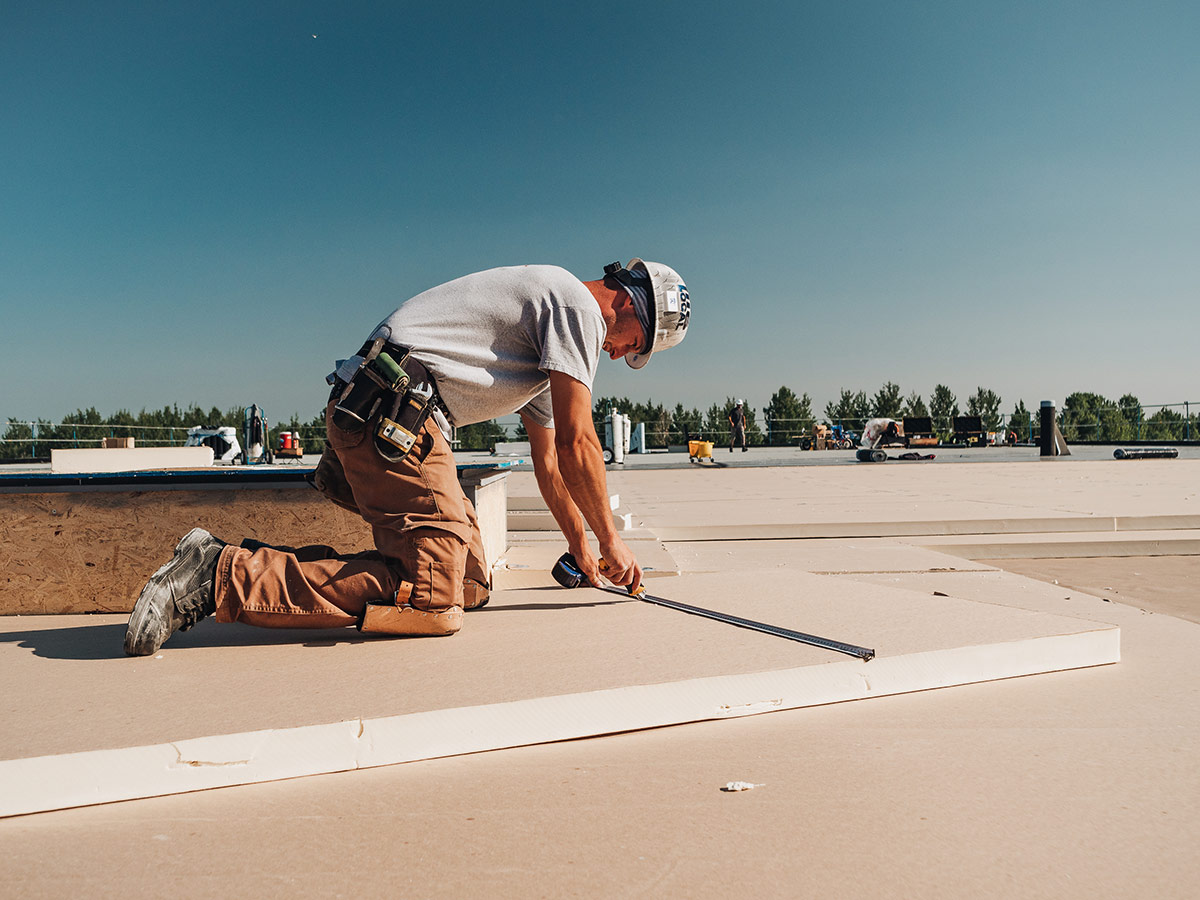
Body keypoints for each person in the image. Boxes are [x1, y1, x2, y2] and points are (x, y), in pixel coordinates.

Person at [125, 260, 691, 655]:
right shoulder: (574, 306)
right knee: (433, 597)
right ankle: (219, 574)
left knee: (469, 581)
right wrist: (614, 540)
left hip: (395, 420)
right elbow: (578, 443)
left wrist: (583, 550)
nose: (621, 355)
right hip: (390, 417)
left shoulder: (554, 345)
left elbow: (550, 463)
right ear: (633, 306)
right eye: (637, 346)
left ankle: (338, 538)